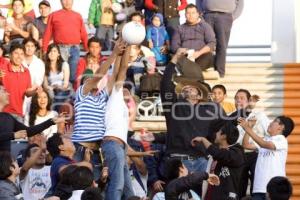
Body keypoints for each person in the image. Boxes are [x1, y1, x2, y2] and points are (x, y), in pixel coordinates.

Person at [71, 40, 126, 181]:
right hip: (80, 149)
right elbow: (99, 76)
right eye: (87, 79)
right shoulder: (81, 93)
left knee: (97, 185)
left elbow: (113, 77)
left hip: (97, 150)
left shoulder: (102, 97)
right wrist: (113, 53)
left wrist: (120, 54)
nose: (91, 81)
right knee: (79, 186)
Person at [101, 44, 135, 200]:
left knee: (129, 191)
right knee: (118, 185)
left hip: (120, 147)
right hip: (113, 144)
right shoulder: (115, 96)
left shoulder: (121, 103)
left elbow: (118, 71)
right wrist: (127, 46)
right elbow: (121, 71)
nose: (126, 88)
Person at [239, 116, 294, 200]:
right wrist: (249, 127)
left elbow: (265, 145)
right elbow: (246, 145)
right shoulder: (265, 139)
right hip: (258, 188)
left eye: (275, 121)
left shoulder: (281, 139)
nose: (270, 122)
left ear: (281, 127)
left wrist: (247, 128)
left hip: (275, 189)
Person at [229, 89, 270, 198]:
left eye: (242, 98)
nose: (238, 100)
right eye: (236, 98)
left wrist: (257, 146)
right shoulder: (230, 116)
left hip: (255, 154)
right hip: (237, 155)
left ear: (248, 101)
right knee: (237, 189)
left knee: (257, 188)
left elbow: (269, 134)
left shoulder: (260, 115)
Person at [0, 85, 65, 152]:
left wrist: (51, 121)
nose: (8, 93)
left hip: (5, 159)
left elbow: (28, 131)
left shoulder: (8, 117)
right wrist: (13, 135)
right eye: (4, 91)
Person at [191, 121, 245, 200]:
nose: (216, 134)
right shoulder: (214, 155)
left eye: (219, 132)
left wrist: (203, 139)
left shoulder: (237, 153)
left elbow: (219, 154)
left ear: (224, 136)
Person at [42, 0, 88, 84]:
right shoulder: (54, 15)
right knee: (60, 72)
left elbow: (83, 33)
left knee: (73, 74)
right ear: (60, 1)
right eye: (64, 0)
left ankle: (71, 94)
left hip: (75, 48)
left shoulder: (78, 16)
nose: (67, 2)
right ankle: (60, 92)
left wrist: (87, 49)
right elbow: (47, 33)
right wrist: (45, 50)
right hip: (60, 48)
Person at [197, 0, 244, 78]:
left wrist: (233, 16)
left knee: (222, 45)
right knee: (206, 44)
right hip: (207, 15)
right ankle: (206, 68)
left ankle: (220, 72)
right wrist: (200, 13)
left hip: (225, 16)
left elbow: (240, 3)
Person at [1, 43, 41, 121]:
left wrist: (35, 91)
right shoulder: (2, 68)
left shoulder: (26, 71)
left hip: (18, 113)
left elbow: (27, 93)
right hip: (3, 113)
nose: (19, 56)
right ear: (10, 55)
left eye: (22, 54)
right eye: (16, 53)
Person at [171, 4, 216, 73]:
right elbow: (174, 46)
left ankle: (191, 71)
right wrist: (186, 52)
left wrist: (198, 53)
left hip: (200, 56)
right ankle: (192, 71)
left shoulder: (205, 26)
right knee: (174, 57)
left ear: (198, 14)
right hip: (185, 56)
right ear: (185, 15)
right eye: (188, 13)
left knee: (209, 56)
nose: (190, 15)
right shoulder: (179, 28)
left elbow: (212, 43)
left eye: (193, 13)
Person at [153, 158, 220, 200]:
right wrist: (206, 175)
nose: (188, 170)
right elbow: (187, 181)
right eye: (185, 167)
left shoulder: (190, 192)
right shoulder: (168, 190)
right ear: (181, 169)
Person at [43, 44, 71, 112]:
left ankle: (54, 114)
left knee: (58, 95)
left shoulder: (64, 65)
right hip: (51, 89)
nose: (52, 53)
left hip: (63, 89)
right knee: (51, 95)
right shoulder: (44, 66)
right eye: (50, 51)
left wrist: (59, 87)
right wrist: (51, 88)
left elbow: (66, 83)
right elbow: (45, 84)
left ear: (58, 54)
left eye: (54, 51)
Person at [22, 37, 45, 115]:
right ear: (23, 47)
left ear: (35, 48)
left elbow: (38, 82)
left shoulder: (39, 63)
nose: (29, 48)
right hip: (19, 92)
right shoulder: (19, 61)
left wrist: (31, 90)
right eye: (27, 46)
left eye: (32, 46)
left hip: (33, 93)